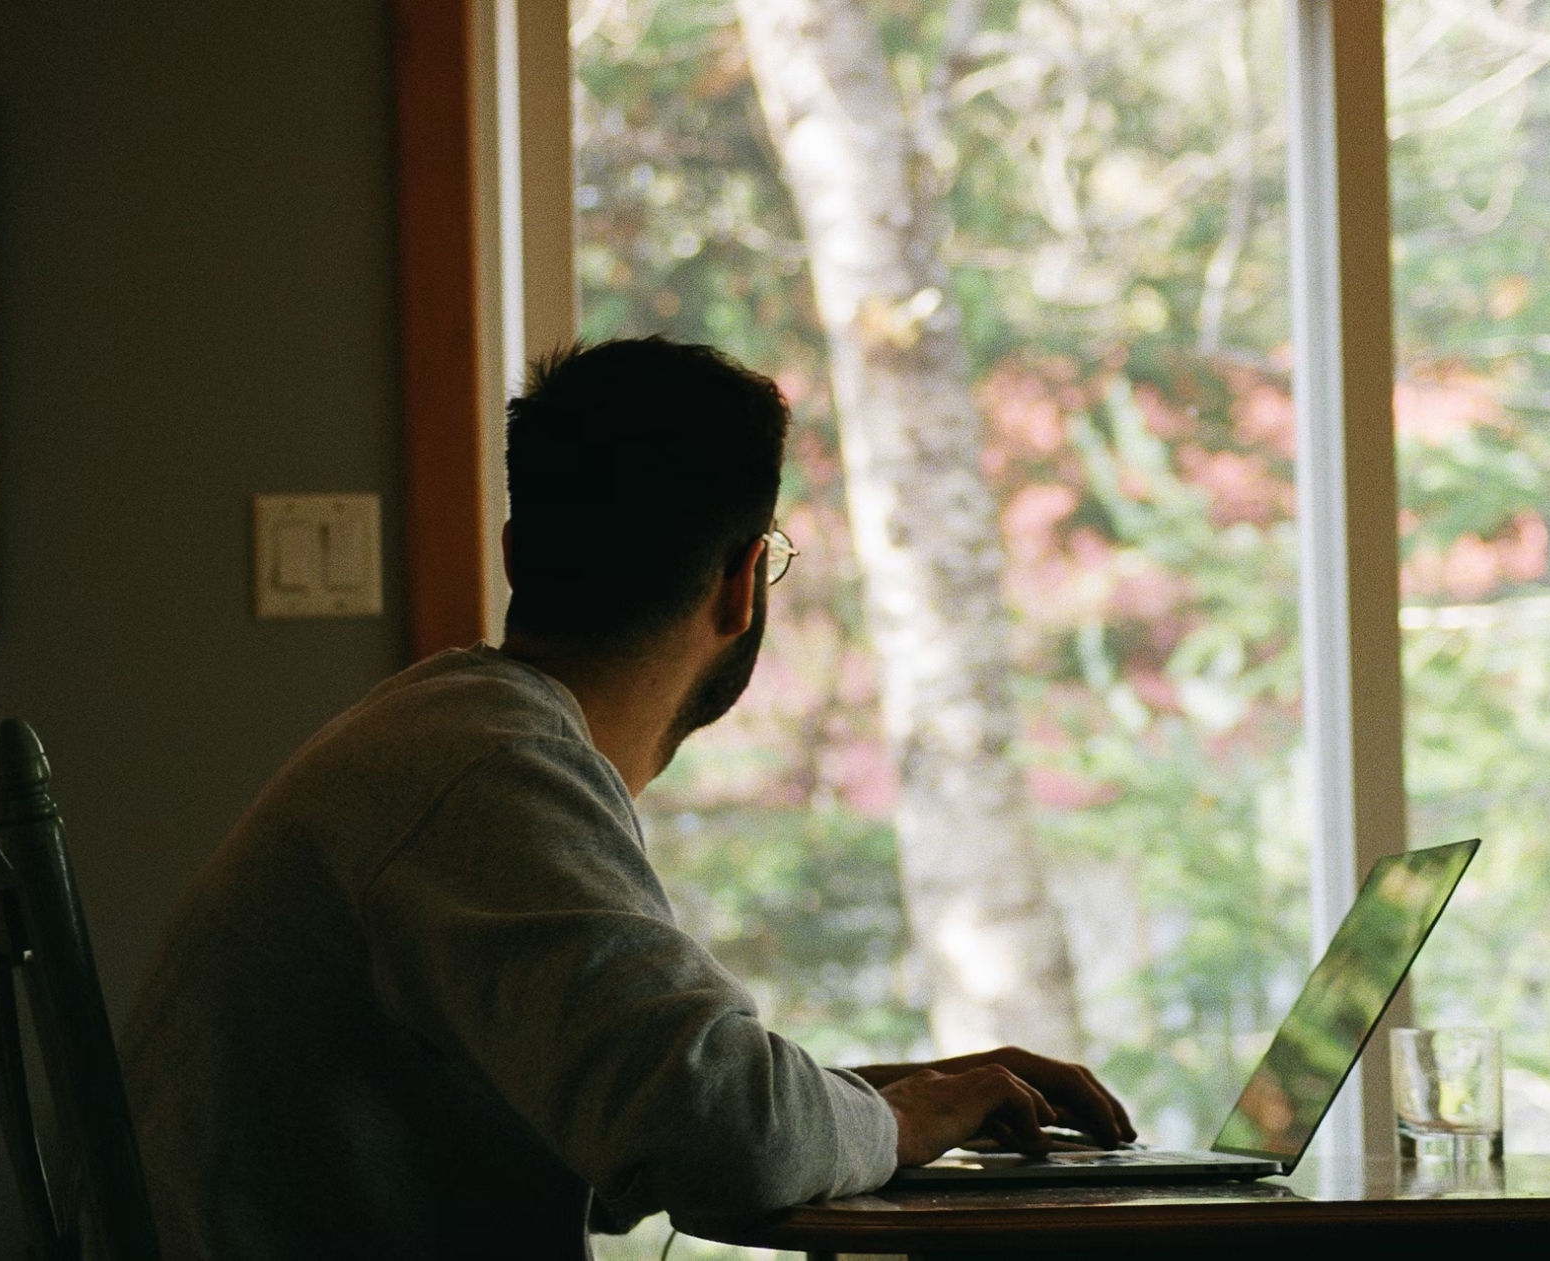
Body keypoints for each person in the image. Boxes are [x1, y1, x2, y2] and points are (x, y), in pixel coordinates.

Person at [120, 337, 1134, 1261]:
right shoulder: (490, 772)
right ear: (742, 584)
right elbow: (724, 1143)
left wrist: (885, 1100)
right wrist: (900, 1122)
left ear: (516, 557)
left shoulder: (446, 736)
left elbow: (641, 1103)